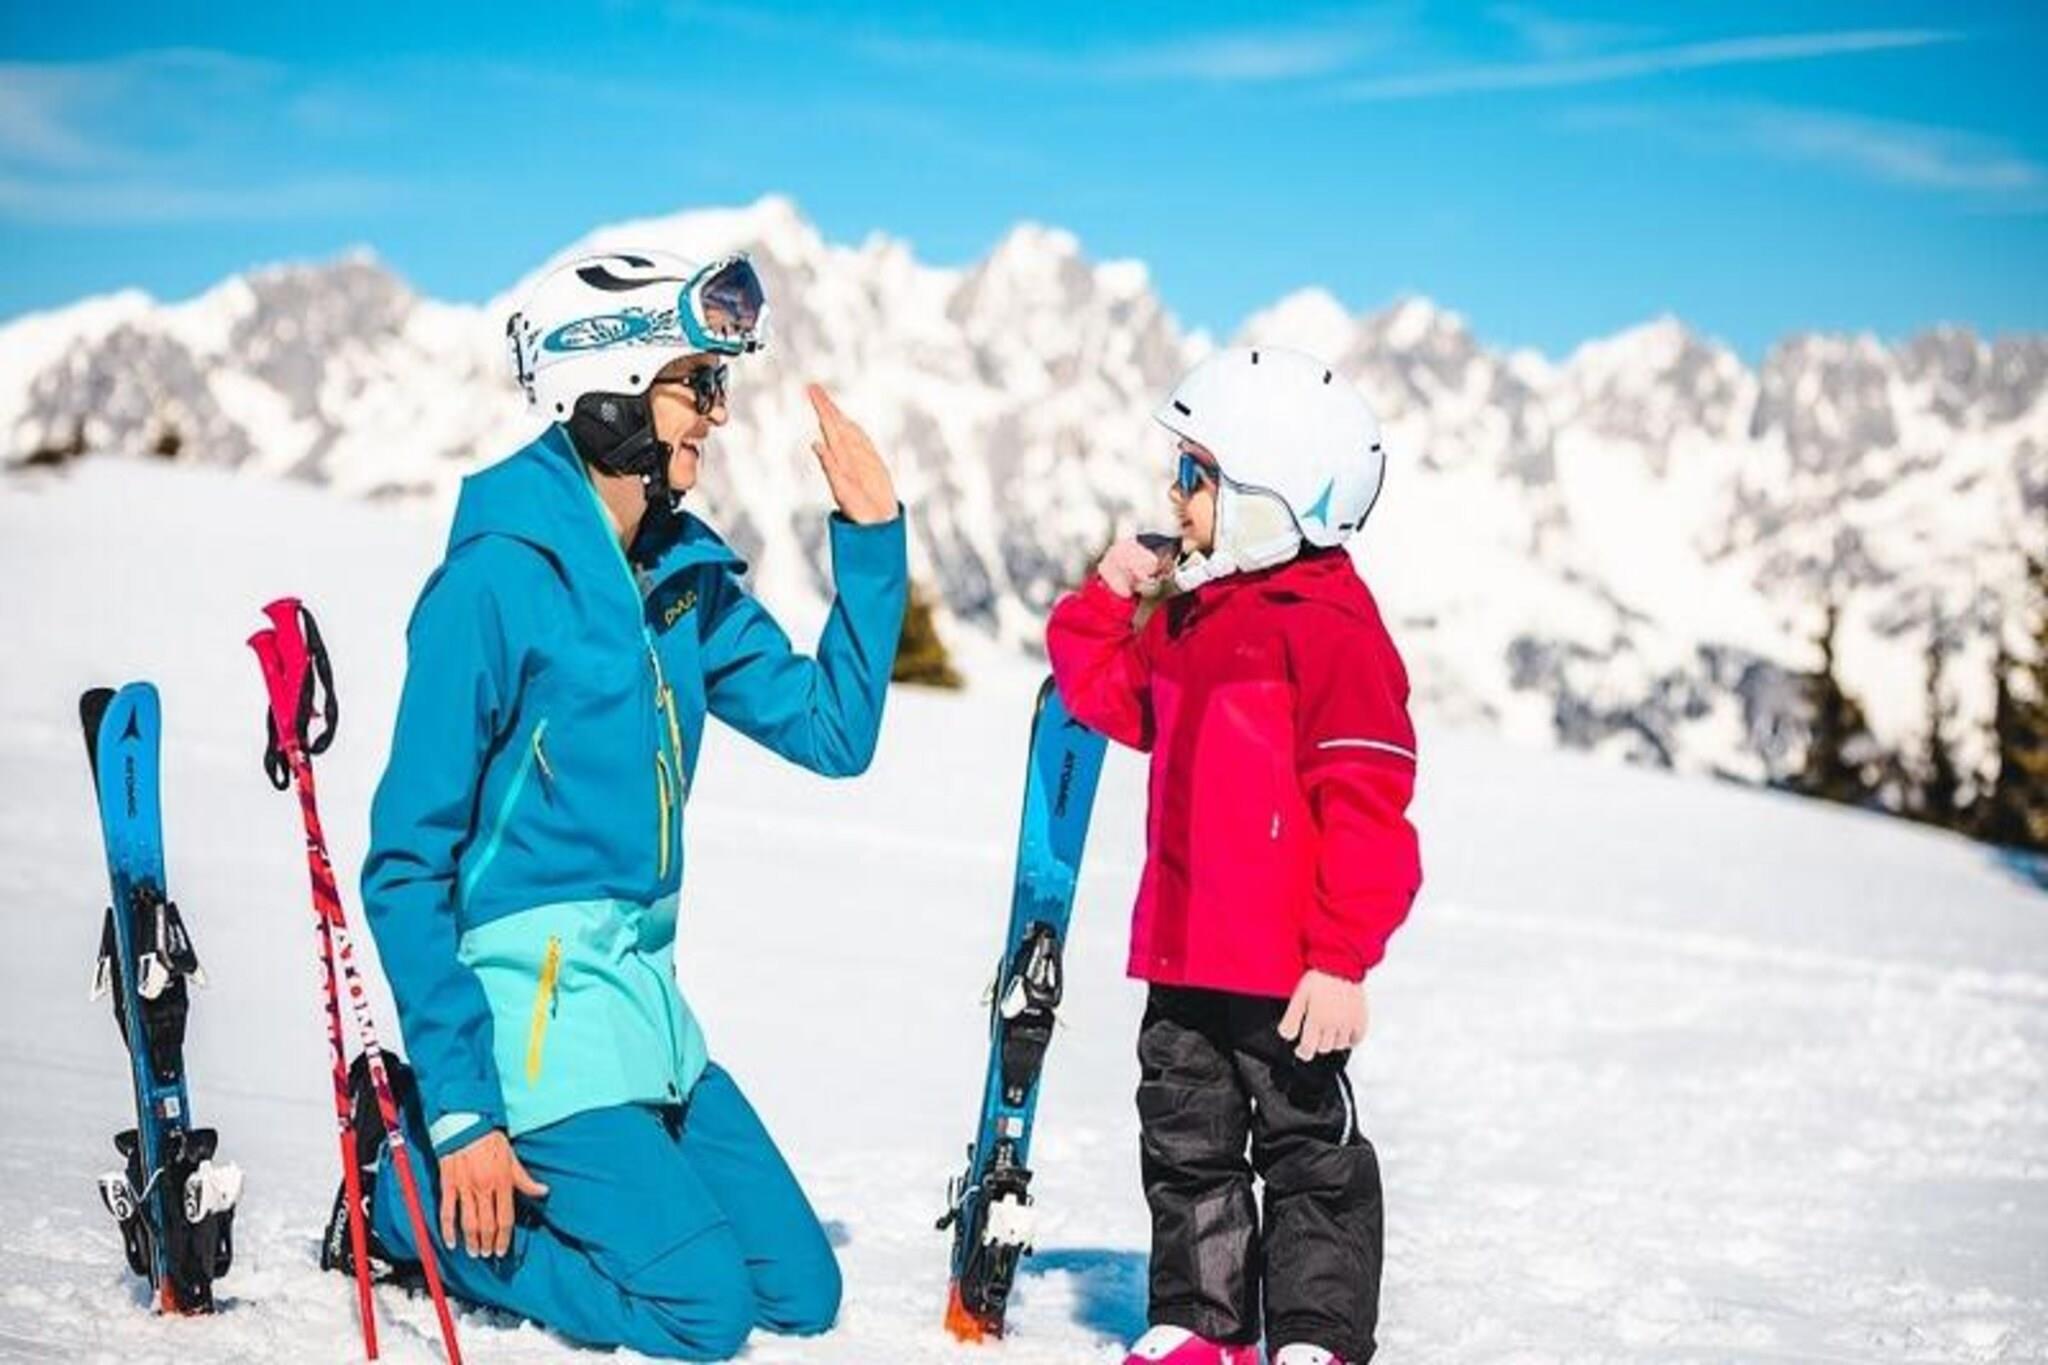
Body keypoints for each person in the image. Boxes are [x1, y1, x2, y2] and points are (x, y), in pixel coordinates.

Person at [337, 249, 906, 1360]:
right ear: (609, 386)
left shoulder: (678, 577)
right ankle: (399, 1199)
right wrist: (462, 1109)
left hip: (643, 1008)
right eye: (698, 384)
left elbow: (833, 732)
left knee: (798, 1288)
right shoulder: (496, 582)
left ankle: (550, 1174)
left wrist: (874, 539)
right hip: (532, 1024)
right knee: (701, 1313)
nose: (718, 415)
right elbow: (405, 863)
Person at [1046, 346, 1422, 1365]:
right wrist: (1108, 592)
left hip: (1287, 971)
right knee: (1185, 1142)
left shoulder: (1334, 633)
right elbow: (1103, 693)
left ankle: (1316, 1334)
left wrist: (1340, 956)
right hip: (1181, 956)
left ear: (1268, 493)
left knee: (1307, 1153)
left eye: (1195, 474)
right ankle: (1203, 1323)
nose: (1175, 494)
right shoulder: (1195, 619)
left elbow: (1369, 811)